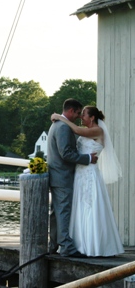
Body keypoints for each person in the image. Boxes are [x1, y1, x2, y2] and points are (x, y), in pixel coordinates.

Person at [51, 106, 124, 257]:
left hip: (90, 175)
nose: (81, 118)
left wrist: (60, 117)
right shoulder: (86, 130)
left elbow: (77, 130)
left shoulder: (98, 131)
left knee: (91, 207)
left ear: (91, 118)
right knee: (78, 209)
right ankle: (78, 244)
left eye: (83, 115)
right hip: (79, 175)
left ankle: (95, 246)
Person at [47, 99, 98, 257]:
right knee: (63, 211)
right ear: (70, 111)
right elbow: (66, 153)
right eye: (77, 113)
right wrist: (87, 158)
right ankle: (67, 247)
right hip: (63, 176)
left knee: (56, 212)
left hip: (56, 176)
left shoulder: (56, 124)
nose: (78, 116)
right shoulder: (63, 127)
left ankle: (53, 245)